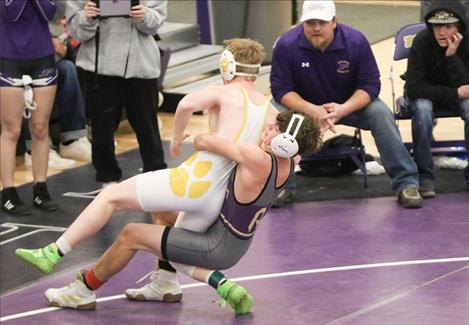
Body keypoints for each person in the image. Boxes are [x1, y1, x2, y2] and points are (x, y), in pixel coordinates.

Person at [15, 36, 276, 287]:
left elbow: (185, 104)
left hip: (193, 181)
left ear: (227, 65)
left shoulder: (224, 92)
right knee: (175, 248)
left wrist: (176, 139)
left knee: (110, 197)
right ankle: (193, 287)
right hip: (216, 198)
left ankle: (54, 251)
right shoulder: (268, 110)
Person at [23, 111, 322, 315]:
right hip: (233, 242)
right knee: (164, 211)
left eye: (273, 129)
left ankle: (83, 290)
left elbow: (207, 142)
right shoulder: (288, 164)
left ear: (285, 140)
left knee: (131, 235)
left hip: (215, 245)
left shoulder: (258, 158)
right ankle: (166, 284)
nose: (266, 129)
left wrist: (201, 136)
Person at [270, 0, 423, 209]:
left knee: (381, 113)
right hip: (304, 108)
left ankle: (406, 183)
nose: (316, 28)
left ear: (334, 22)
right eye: (310, 22)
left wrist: (343, 109)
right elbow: (280, 90)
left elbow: (370, 85)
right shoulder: (286, 45)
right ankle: (280, 185)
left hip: (348, 106)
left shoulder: (355, 41)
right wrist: (312, 110)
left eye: (322, 22)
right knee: (273, 115)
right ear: (302, 23)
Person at [65, 1, 167, 187]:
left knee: (148, 127)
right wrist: (87, 16)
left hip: (141, 64)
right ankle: (107, 178)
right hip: (100, 66)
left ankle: (155, 178)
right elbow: (75, 31)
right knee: (102, 128)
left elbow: (157, 22)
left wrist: (144, 15)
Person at [404, 0, 469, 196]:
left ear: (459, 27)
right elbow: (415, 89)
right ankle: (425, 177)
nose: (441, 32)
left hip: (453, 93)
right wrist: (454, 93)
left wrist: (451, 56)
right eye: (437, 26)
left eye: (448, 26)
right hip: (426, 95)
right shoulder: (422, 41)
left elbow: (466, 86)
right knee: (423, 111)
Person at [1, 0, 59, 215]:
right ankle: (7, 191)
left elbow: (50, 11)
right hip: (7, 55)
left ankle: (40, 188)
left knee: (40, 127)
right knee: (12, 130)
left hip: (42, 54)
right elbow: (10, 12)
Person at [22, 18, 92, 168]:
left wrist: (63, 48)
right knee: (26, 80)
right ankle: (34, 150)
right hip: (14, 64)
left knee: (67, 69)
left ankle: (72, 140)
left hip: (43, 59)